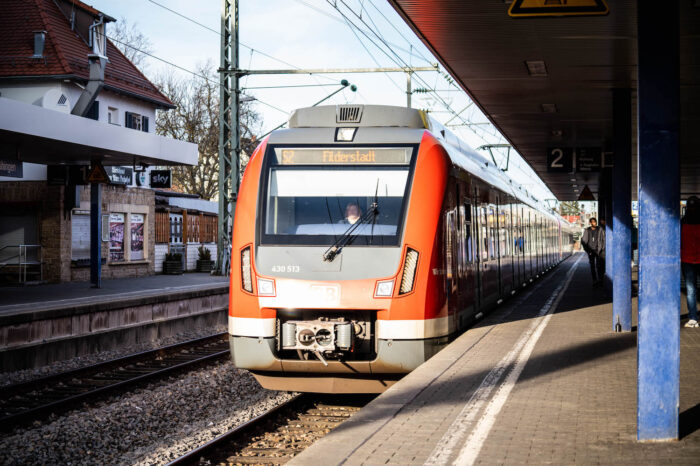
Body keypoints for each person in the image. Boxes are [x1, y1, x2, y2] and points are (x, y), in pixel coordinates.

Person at [682, 196, 700, 328]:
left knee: (691, 290)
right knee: (691, 289)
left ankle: (693, 318)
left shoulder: (682, 222)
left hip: (687, 260)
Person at [581, 217, 605, 286]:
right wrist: (587, 250)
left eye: (595, 222)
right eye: (593, 222)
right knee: (592, 266)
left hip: (598, 250)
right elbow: (584, 241)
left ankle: (600, 279)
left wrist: (602, 249)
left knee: (599, 266)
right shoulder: (587, 230)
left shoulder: (600, 229)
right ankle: (594, 280)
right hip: (591, 251)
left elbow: (603, 239)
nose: (594, 223)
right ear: (590, 223)